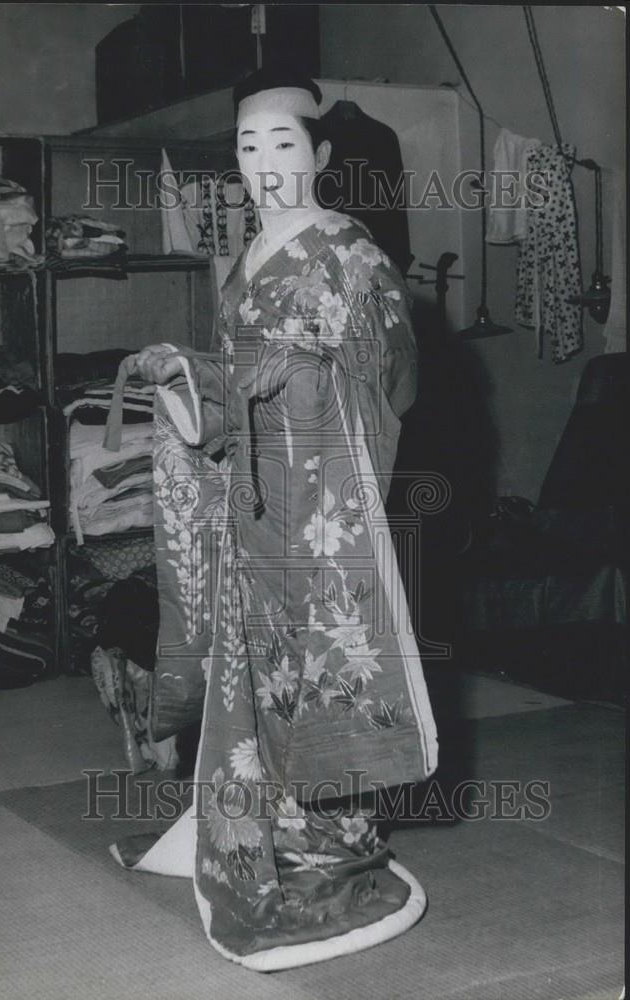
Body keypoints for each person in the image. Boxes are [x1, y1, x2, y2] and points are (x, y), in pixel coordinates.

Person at [109, 68, 438, 972]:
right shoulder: (248, 256)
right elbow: (230, 386)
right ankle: (258, 835)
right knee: (254, 671)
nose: (263, 165)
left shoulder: (351, 248)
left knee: (322, 668)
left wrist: (300, 367)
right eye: (248, 149)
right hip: (255, 500)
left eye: (282, 144)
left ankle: (332, 854)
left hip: (324, 507)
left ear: (321, 156)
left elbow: (396, 372)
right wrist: (185, 382)